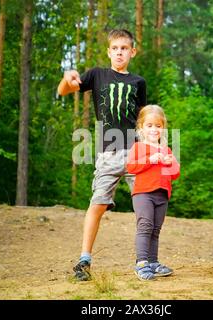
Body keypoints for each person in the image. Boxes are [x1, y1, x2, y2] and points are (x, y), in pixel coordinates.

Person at [57, 29, 147, 281]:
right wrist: (67, 77)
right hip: (108, 153)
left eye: (124, 48)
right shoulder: (97, 75)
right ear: (109, 51)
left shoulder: (138, 82)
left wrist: (152, 145)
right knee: (97, 205)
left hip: (135, 151)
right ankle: (84, 259)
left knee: (143, 205)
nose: (119, 52)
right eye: (115, 48)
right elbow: (65, 90)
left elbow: (142, 118)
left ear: (132, 51)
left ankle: (145, 260)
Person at [126, 105, 180, 281]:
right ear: (141, 127)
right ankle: (141, 264)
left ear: (163, 127)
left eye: (158, 126)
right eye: (149, 125)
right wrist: (150, 159)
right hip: (143, 193)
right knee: (145, 226)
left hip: (162, 194)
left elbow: (174, 175)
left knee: (155, 230)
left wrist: (171, 162)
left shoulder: (167, 150)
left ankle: (153, 262)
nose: (154, 129)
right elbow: (131, 167)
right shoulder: (139, 147)